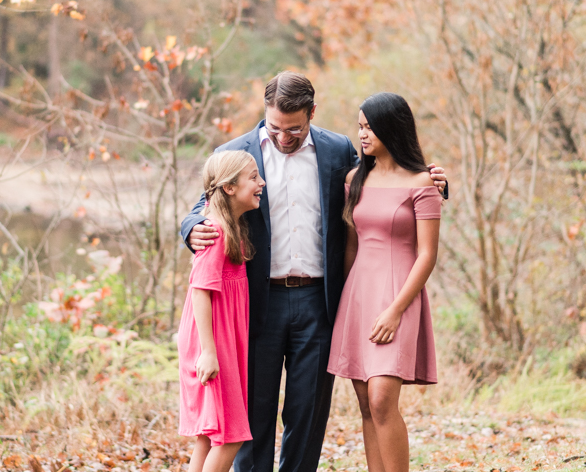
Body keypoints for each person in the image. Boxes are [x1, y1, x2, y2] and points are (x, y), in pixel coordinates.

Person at [181, 72, 447, 472]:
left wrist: (432, 178)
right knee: (255, 411)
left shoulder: (338, 150)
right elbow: (203, 206)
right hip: (257, 301)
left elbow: (386, 176)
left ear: (312, 113)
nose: (283, 137)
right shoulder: (236, 152)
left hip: (318, 301)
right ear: (264, 114)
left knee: (307, 413)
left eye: (294, 128)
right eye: (274, 127)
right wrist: (190, 229)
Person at [327, 92, 441, 472]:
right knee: (364, 404)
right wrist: (342, 304)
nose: (362, 134)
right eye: (359, 126)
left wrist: (395, 310)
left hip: (398, 296)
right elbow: (351, 246)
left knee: (381, 400)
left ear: (391, 128)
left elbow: (427, 255)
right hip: (358, 294)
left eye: (369, 126)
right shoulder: (354, 179)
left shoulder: (422, 181)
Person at [178, 150, 266, 472]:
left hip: (222, 338)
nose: (262, 183)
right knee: (230, 436)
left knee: (209, 434)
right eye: (253, 178)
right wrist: (209, 353)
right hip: (212, 341)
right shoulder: (216, 233)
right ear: (229, 188)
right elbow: (200, 290)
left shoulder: (231, 228)